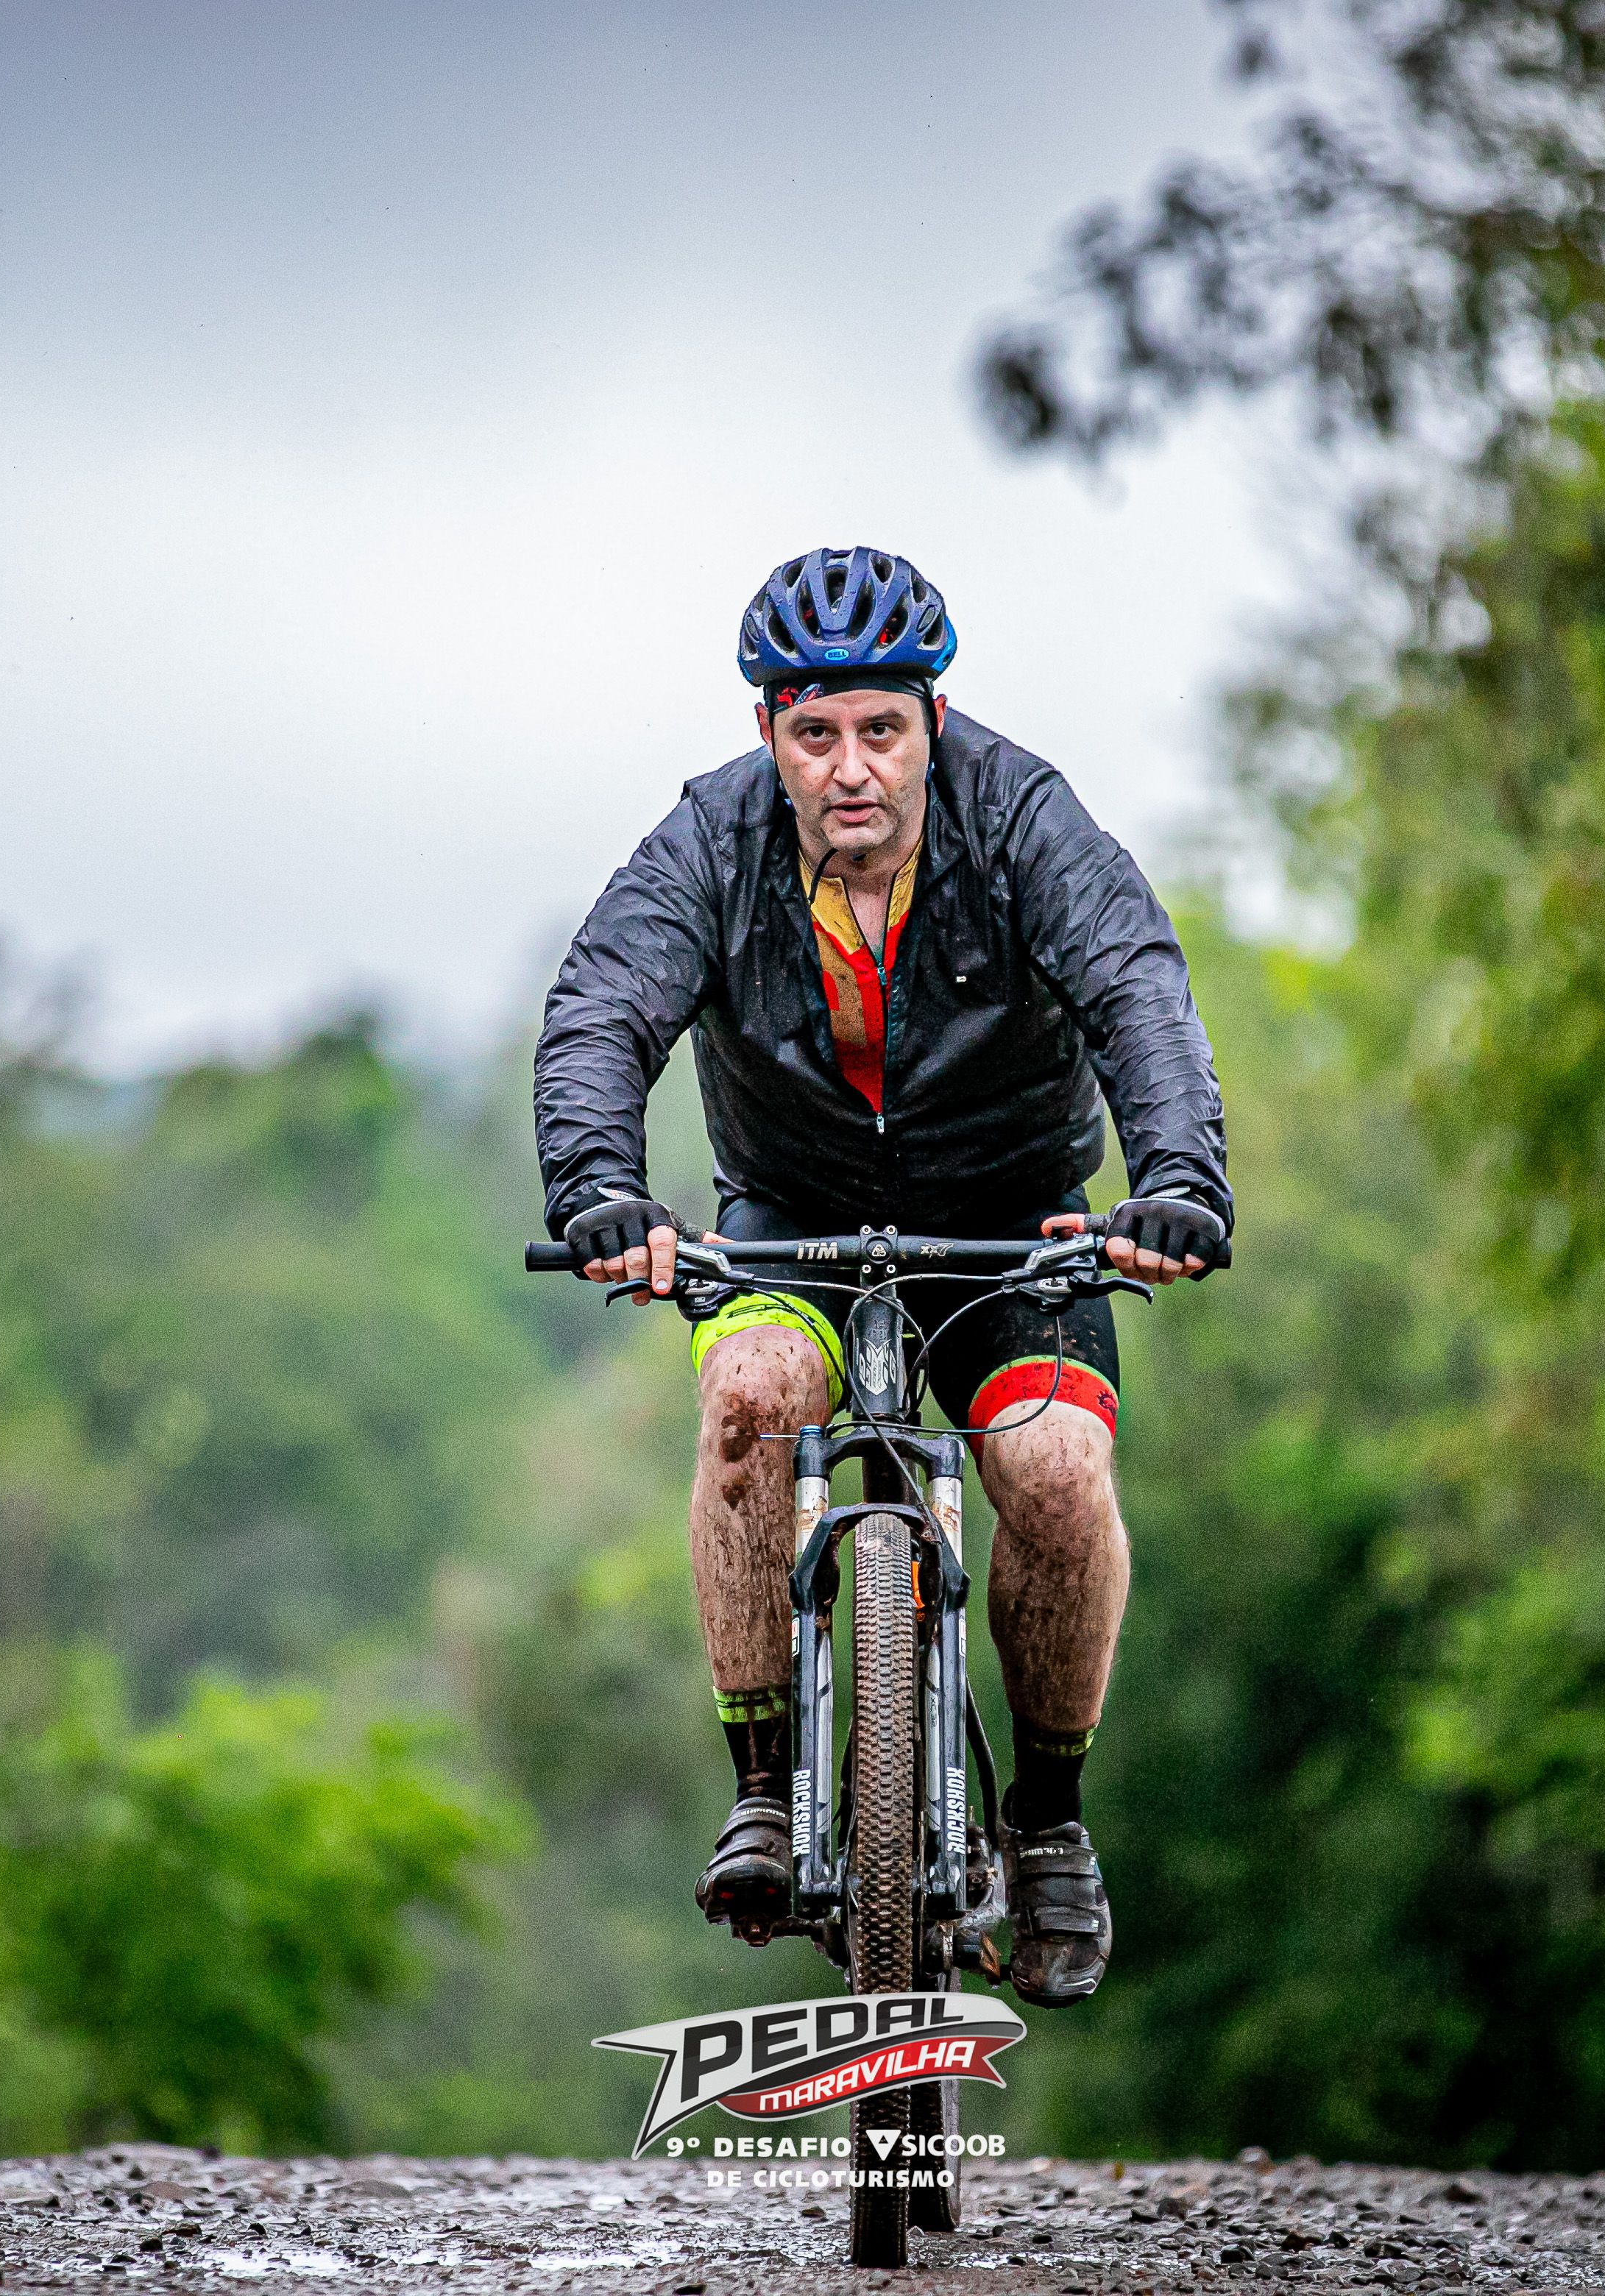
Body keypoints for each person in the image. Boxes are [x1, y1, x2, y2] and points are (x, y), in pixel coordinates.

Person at [533, 545, 1230, 2008]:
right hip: (789, 1217)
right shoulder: (710, 841)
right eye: (815, 733)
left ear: (933, 722)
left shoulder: (1021, 818)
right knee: (750, 1399)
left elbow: (1135, 985)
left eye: (882, 730)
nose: (851, 768)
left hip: (1013, 1220)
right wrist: (599, 1188)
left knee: (1055, 1471)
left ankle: (1047, 1824)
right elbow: (604, 1006)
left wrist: (1176, 1177)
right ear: (769, 734)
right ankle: (763, 1785)